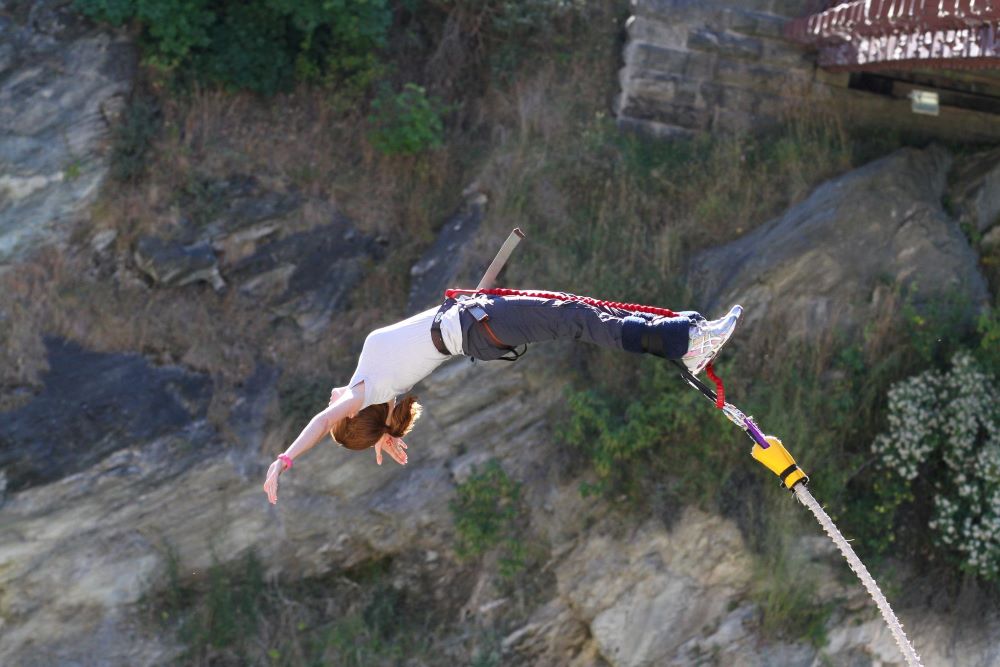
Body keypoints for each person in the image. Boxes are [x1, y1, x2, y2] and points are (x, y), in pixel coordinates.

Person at [263, 291, 742, 504]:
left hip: (475, 320)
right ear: (350, 412)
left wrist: (382, 432)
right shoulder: (369, 390)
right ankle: (687, 343)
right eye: (336, 417)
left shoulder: (374, 381)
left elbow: (347, 413)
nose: (328, 407)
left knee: (581, 313)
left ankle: (685, 337)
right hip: (479, 326)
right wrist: (284, 460)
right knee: (580, 319)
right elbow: (325, 420)